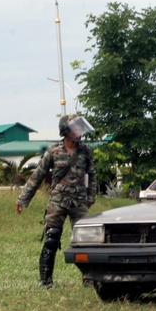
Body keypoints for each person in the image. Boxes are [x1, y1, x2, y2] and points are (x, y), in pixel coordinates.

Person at [16, 114, 97, 288]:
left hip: (79, 201)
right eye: (76, 128)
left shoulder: (86, 150)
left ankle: (89, 278)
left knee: (86, 239)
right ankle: (46, 280)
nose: (79, 132)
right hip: (58, 201)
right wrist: (23, 199)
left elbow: (91, 175)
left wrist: (91, 197)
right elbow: (38, 175)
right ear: (66, 131)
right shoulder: (53, 151)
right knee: (52, 238)